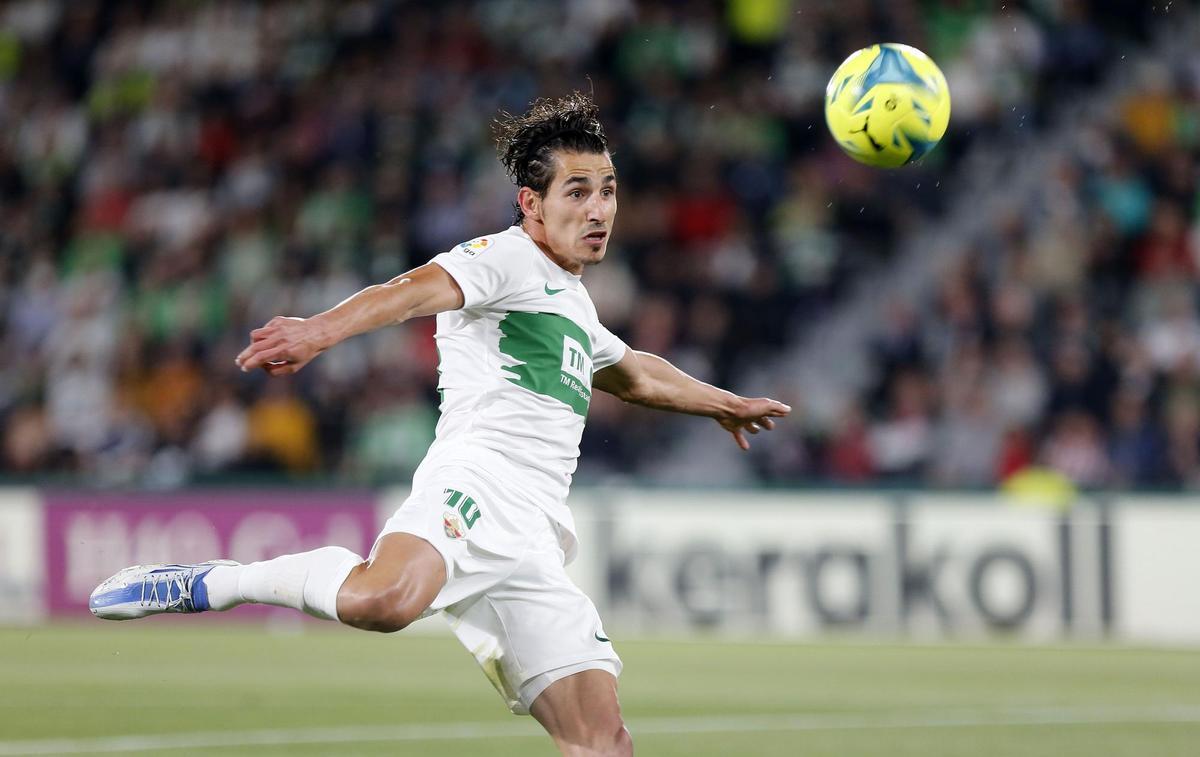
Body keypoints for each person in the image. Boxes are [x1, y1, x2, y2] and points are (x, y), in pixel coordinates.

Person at [89, 93, 790, 756]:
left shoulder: (571, 301)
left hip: (535, 534)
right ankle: (215, 582)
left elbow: (634, 371)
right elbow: (411, 290)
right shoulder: (506, 257)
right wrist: (319, 330)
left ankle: (484, 625)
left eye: (607, 189)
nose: (599, 207)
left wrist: (723, 402)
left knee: (603, 741)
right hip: (475, 483)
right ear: (531, 204)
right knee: (383, 601)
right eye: (577, 191)